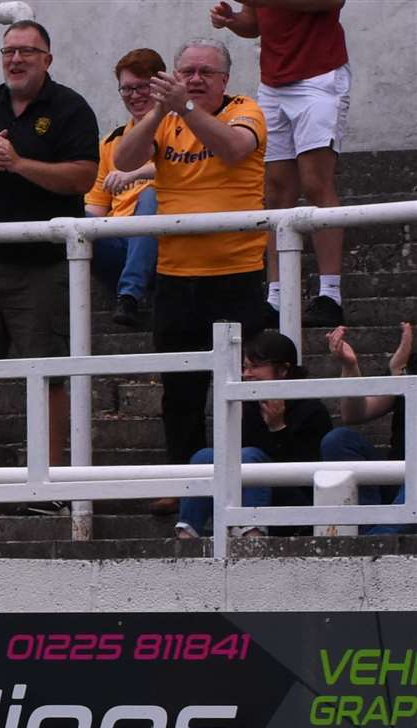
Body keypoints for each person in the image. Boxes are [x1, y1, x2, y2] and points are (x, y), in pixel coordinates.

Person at [0, 20, 97, 511]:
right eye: (9, 51)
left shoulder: (70, 107)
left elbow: (84, 176)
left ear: (47, 59)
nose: (16, 60)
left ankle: (45, 488)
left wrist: (19, 163)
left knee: (47, 373)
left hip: (44, 266)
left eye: (27, 51)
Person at [112, 38, 268, 511]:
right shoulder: (167, 118)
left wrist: (187, 110)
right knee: (180, 391)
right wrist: (159, 113)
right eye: (187, 72)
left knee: (242, 388)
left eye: (206, 72)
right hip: (177, 276)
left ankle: (242, 482)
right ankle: (183, 484)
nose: (196, 79)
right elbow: (122, 160)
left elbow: (235, 149)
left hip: (236, 274)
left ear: (225, 80)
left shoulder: (246, 109)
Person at [210, 0, 351, 328]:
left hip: (321, 76)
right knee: (275, 193)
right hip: (273, 82)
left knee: (316, 183)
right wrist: (231, 20)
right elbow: (255, 22)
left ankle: (330, 294)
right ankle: (276, 295)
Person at [175, 330, 330, 539]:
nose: (247, 374)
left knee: (249, 457)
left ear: (284, 370)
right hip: (246, 490)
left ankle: (253, 535)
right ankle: (187, 535)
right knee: (204, 457)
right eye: (244, 367)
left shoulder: (311, 409)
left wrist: (278, 428)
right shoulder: (246, 406)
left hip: (294, 498)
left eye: (256, 366)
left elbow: (305, 472)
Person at [86, 49, 165, 330]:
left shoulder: (181, 127)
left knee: (150, 195)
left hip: (170, 244)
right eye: (127, 89)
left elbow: (183, 168)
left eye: (143, 87)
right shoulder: (111, 142)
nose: (135, 95)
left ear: (160, 86)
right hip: (120, 243)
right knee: (74, 220)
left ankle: (130, 295)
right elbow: (94, 208)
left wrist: (135, 172)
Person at [321, 321, 416, 534]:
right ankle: (367, 530)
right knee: (339, 440)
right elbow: (355, 413)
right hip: (397, 478)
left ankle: (371, 544)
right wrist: (350, 365)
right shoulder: (407, 365)